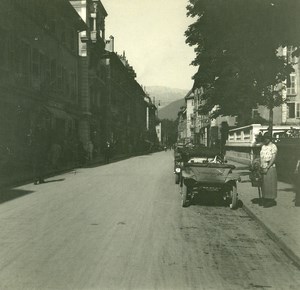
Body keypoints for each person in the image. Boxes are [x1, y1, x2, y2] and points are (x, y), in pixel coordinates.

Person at [260, 132, 278, 207]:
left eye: (266, 138)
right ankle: (265, 198)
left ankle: (270, 200)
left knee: (270, 183)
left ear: (269, 139)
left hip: (270, 166)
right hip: (263, 166)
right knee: (264, 184)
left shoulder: (273, 146)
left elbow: (273, 158)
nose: (265, 140)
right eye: (264, 138)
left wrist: (267, 167)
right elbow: (261, 156)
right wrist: (261, 165)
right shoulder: (263, 146)